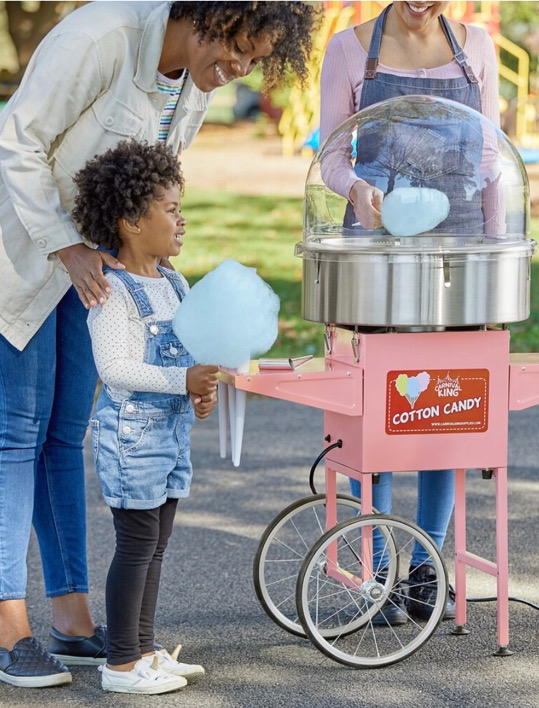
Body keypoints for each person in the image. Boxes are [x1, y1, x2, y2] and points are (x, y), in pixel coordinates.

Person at [0, 1, 319, 689]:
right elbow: (17, 138)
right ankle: (9, 631)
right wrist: (65, 245)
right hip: (25, 254)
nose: (238, 70)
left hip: (97, 272)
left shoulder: (192, 85)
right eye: (237, 49)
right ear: (209, 14)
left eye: (255, 60)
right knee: (16, 437)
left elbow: (152, 175)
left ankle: (75, 621)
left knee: (65, 434)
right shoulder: (101, 36)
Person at [319, 1, 501, 624]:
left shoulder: (476, 46)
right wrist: (358, 191)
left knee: (445, 411)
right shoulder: (349, 49)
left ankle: (424, 570)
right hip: (375, 251)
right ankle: (376, 570)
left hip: (459, 253)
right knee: (378, 414)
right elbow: (332, 155)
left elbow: (490, 158)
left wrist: (494, 259)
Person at [71, 139, 217, 694]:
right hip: (132, 439)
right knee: (136, 546)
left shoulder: (175, 283)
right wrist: (182, 380)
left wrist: (198, 393)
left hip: (171, 437)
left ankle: (146, 647)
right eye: (171, 210)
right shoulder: (114, 293)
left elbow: (190, 355)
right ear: (132, 220)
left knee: (156, 546)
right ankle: (121, 664)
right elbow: (114, 368)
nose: (181, 220)